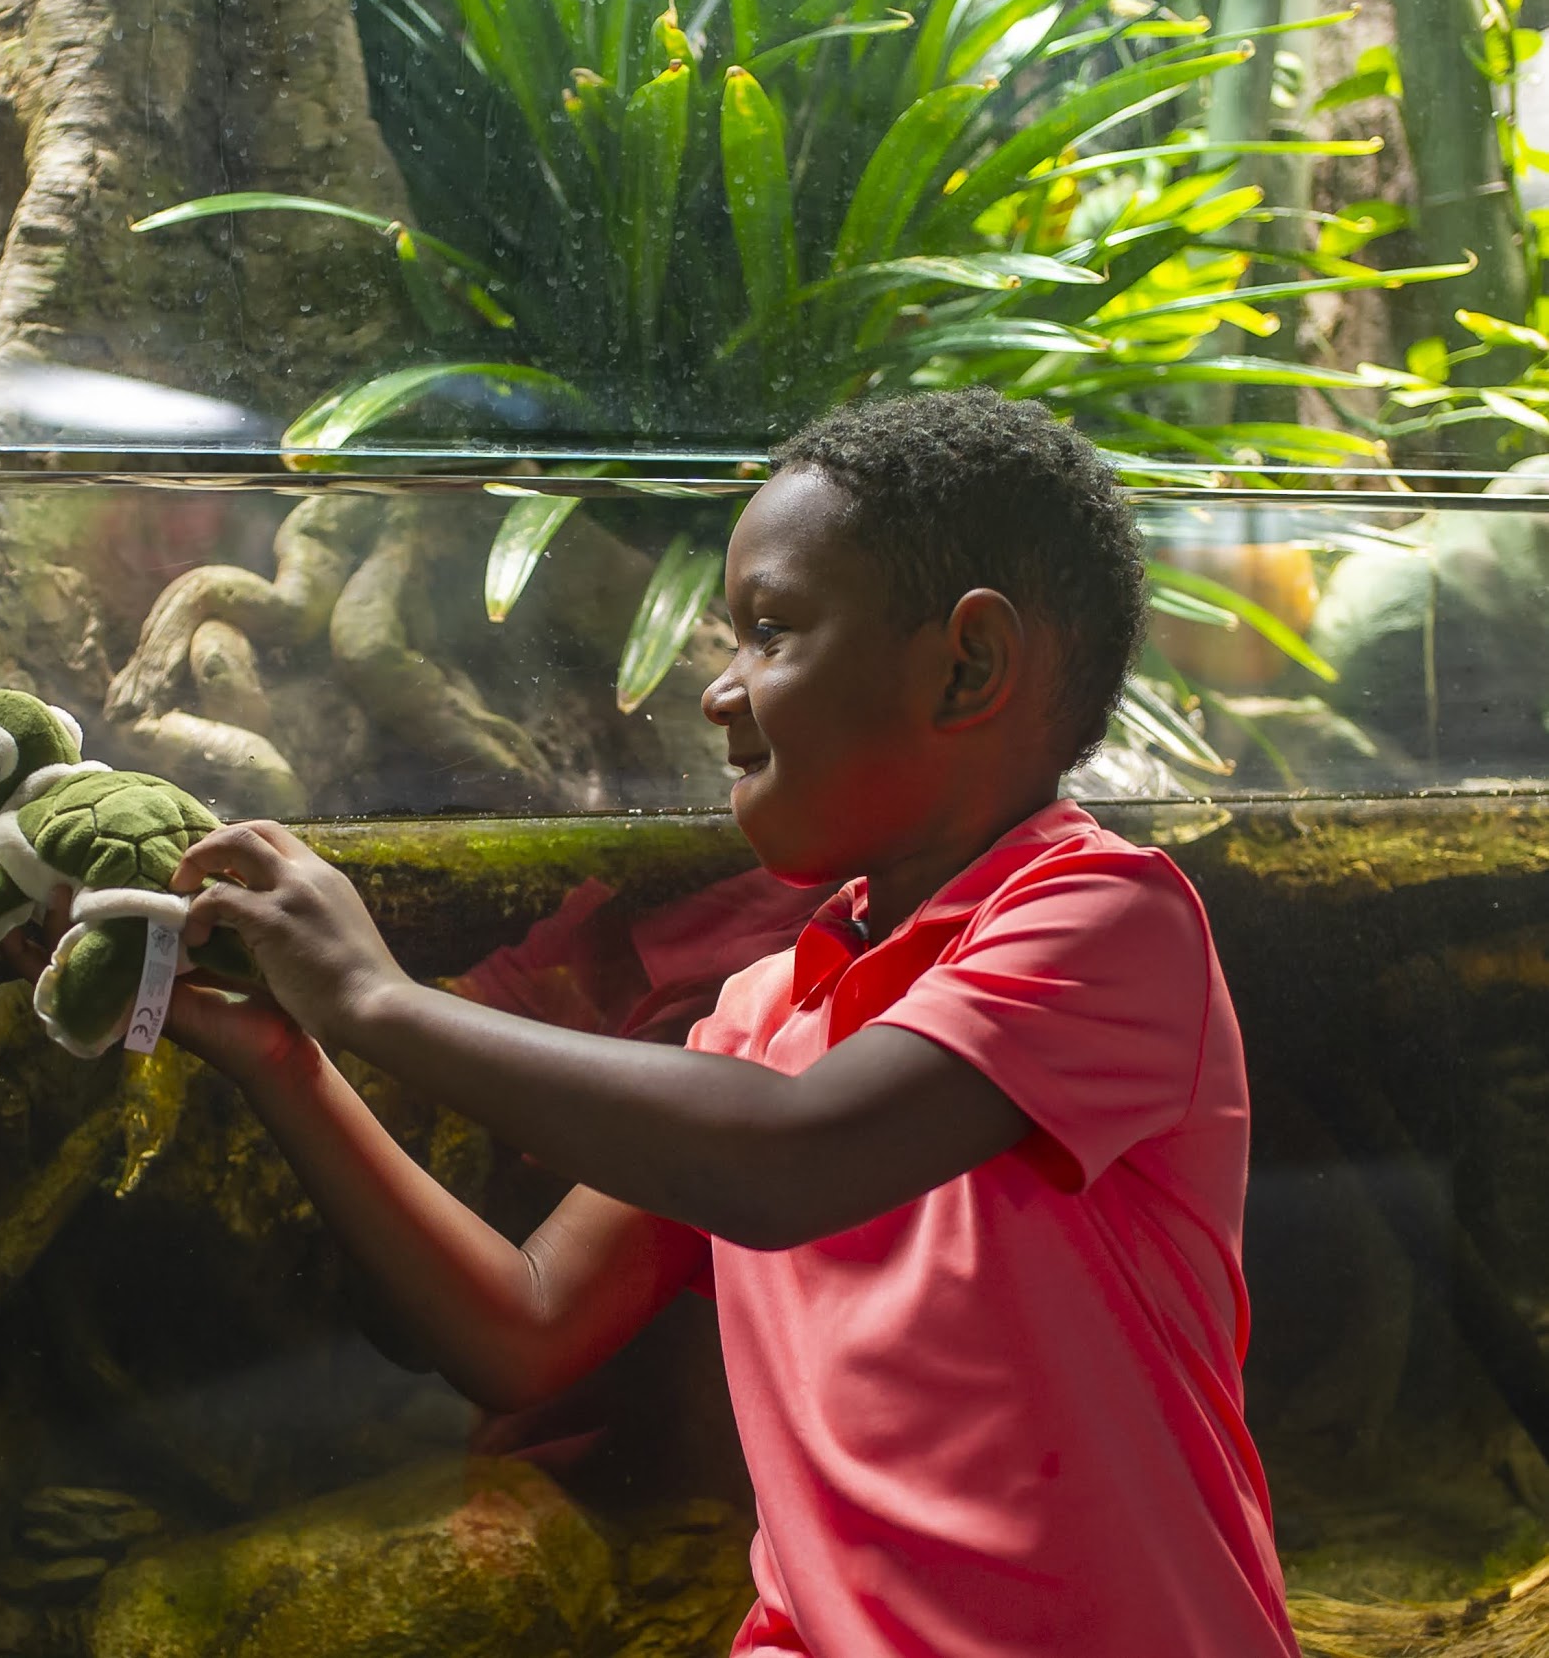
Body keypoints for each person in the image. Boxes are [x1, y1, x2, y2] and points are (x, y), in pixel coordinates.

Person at [158, 390, 1299, 1656]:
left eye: (768, 631)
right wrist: (288, 1059)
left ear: (966, 664)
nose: (718, 691)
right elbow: (522, 1327)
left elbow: (790, 1160)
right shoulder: (762, 1018)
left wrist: (377, 999)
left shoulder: (1107, 924)